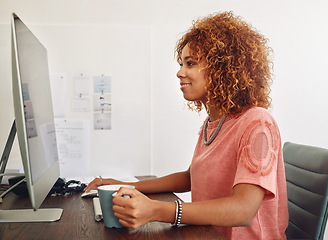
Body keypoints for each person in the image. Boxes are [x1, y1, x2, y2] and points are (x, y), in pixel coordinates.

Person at [85, 11, 288, 240]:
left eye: (190, 63)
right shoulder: (212, 124)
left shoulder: (257, 122)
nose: (180, 72)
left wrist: (157, 211)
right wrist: (127, 186)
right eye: (182, 63)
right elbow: (190, 178)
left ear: (221, 67)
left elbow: (243, 210)